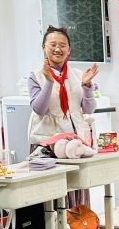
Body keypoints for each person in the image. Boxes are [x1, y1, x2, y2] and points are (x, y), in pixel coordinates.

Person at [28, 25, 98, 207]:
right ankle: (53, 227)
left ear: (69, 50)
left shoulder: (77, 74)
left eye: (62, 45)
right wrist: (49, 81)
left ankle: (78, 225)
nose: (58, 49)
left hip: (73, 144)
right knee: (52, 199)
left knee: (76, 196)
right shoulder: (36, 76)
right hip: (47, 145)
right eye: (52, 45)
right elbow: (39, 109)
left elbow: (89, 109)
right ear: (44, 48)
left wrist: (86, 86)